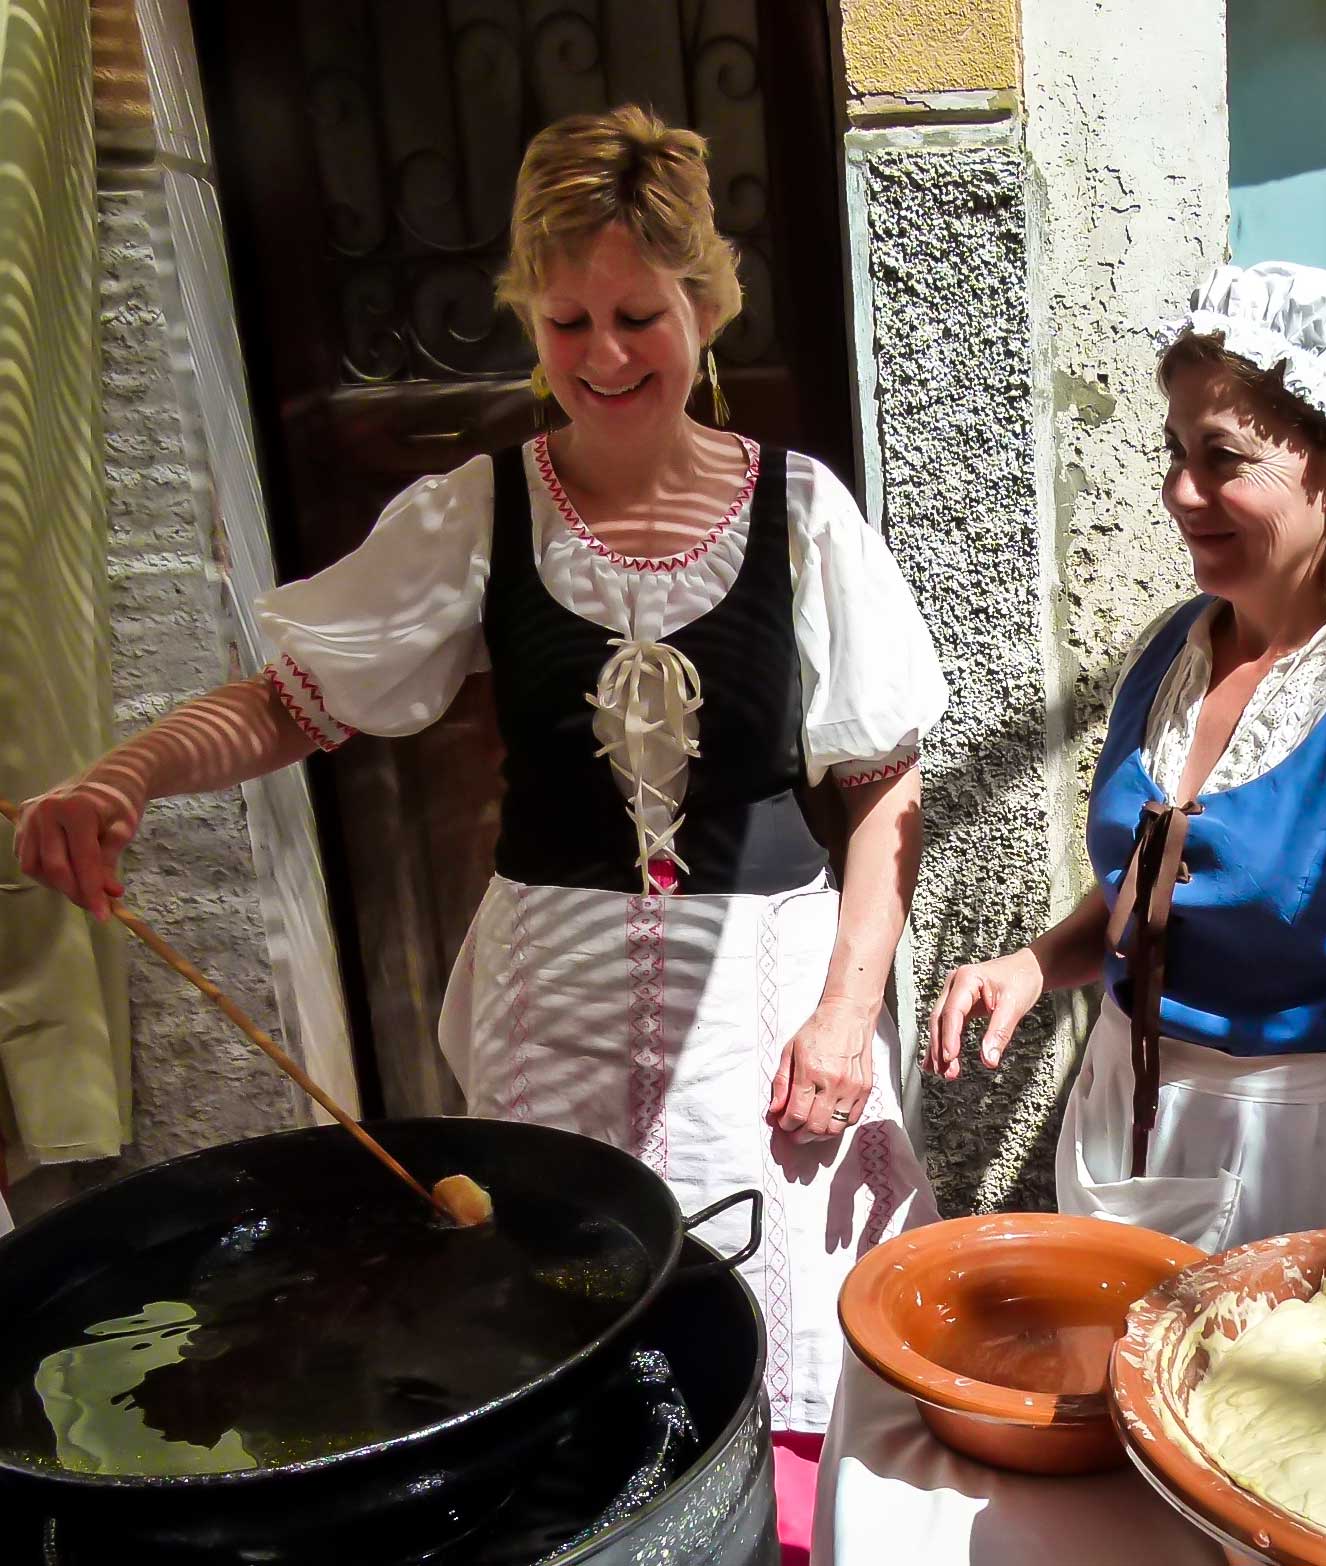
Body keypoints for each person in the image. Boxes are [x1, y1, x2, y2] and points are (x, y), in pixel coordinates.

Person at [15, 106, 945, 1550]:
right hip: (547, 1012)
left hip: (769, 1011)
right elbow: (289, 705)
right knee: (549, 1333)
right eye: (566, 319)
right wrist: (127, 771)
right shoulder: (478, 512)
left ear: (706, 304)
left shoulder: (804, 514)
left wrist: (845, 1011)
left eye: (639, 313)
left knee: (789, 1345)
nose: (604, 353)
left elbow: (883, 785)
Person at [927, 261, 1326, 1281]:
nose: (1182, 492)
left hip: (1297, 1161)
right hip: (1116, 1126)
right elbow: (1153, 887)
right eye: (1174, 450)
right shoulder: (1171, 650)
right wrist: (1036, 965)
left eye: (1221, 458)